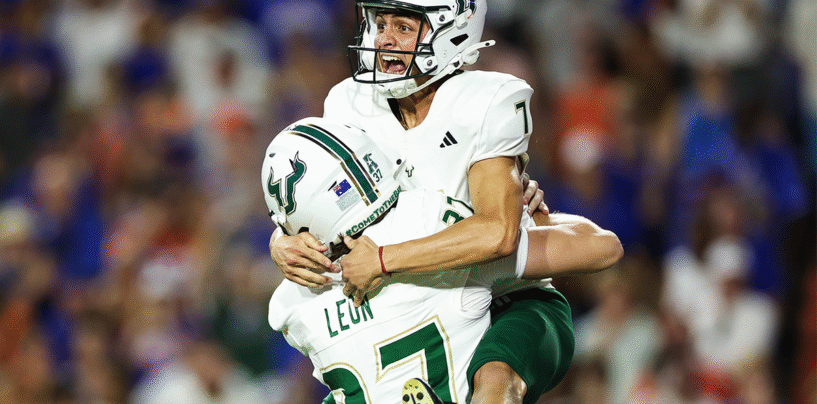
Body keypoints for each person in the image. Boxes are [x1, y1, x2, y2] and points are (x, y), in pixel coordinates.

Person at [269, 1, 597, 403]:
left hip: (500, 293)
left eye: (403, 27)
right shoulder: (347, 103)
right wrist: (281, 241)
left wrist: (384, 259)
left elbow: (497, 233)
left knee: (495, 380)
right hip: (408, 297)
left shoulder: (487, 100)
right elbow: (319, 198)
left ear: (454, 30)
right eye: (380, 23)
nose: (384, 39)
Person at [263, 117, 622, 404]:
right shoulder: (431, 220)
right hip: (493, 310)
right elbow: (603, 247)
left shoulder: (290, 305)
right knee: (501, 369)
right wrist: (525, 214)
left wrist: (280, 240)